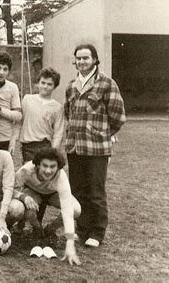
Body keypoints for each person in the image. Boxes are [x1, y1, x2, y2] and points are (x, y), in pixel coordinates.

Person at [64, 44, 126, 247]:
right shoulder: (72, 86)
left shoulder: (107, 83)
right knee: (77, 190)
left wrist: (104, 134)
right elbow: (69, 113)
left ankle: (97, 233)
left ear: (95, 60)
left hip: (97, 149)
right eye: (78, 58)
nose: (82, 62)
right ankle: (82, 230)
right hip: (75, 148)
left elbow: (117, 115)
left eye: (86, 58)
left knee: (95, 191)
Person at [14, 147, 81, 265]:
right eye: (45, 165)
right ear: (38, 164)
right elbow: (11, 189)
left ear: (58, 167)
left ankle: (50, 230)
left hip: (52, 194)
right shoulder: (26, 170)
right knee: (29, 210)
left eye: (52, 166)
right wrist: (24, 197)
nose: (48, 170)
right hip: (33, 193)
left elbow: (67, 209)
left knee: (76, 209)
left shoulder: (61, 177)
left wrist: (70, 243)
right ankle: (37, 229)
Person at [19, 67, 65, 163]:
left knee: (43, 174)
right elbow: (19, 120)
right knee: (29, 173)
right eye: (43, 83)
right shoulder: (27, 99)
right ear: (38, 83)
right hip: (28, 145)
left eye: (49, 84)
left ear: (54, 86)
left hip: (44, 145)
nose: (45, 86)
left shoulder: (57, 107)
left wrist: (53, 151)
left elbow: (58, 132)